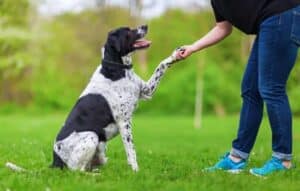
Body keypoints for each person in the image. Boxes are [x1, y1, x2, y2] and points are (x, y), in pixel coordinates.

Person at [176, 0, 300, 176]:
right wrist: (193, 47)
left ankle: (282, 160)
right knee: (250, 90)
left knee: (272, 88)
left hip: (282, 15)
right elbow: (223, 28)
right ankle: (237, 158)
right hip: (269, 23)